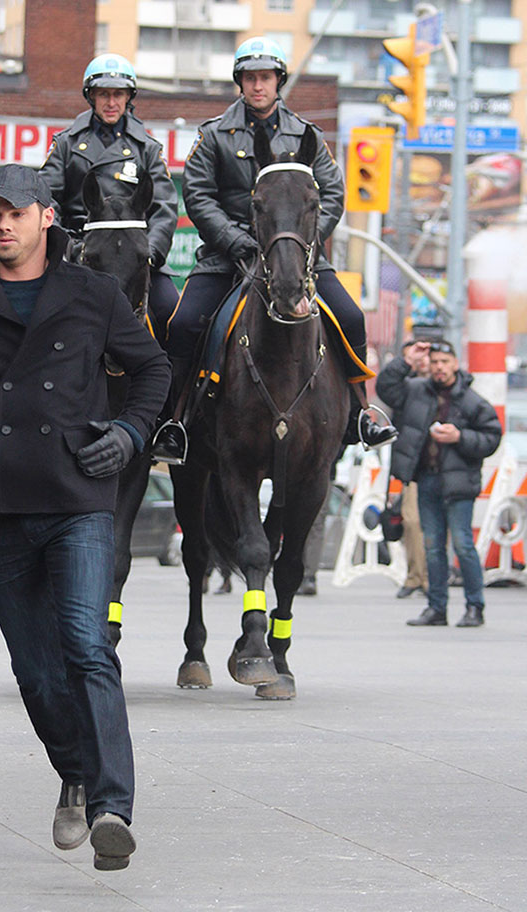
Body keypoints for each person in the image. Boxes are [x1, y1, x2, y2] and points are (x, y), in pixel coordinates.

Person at [0, 164, 171, 870]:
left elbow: (153, 370)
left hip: (78, 491)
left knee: (87, 645)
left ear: (47, 218)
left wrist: (132, 433)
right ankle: (76, 773)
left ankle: (112, 808)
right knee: (36, 670)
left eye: (16, 212)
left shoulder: (95, 293)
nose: (3, 225)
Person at [151, 36, 397, 463]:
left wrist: (302, 246)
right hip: (229, 257)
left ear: (278, 81)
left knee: (352, 317)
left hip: (297, 259)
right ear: (240, 83)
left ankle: (360, 414)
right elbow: (199, 195)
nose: (258, 85)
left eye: (265, 77)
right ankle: (173, 422)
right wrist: (236, 241)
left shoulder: (307, 135)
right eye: (250, 78)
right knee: (185, 323)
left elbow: (332, 195)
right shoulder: (213, 135)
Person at [40, 53, 179, 329]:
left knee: (172, 314)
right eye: (104, 94)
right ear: (91, 96)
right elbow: (46, 200)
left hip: (134, 255)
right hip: (79, 251)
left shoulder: (148, 149)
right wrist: (66, 246)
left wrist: (149, 251)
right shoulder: (66, 144)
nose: (111, 102)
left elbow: (164, 209)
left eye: (118, 94)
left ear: (129, 97)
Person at [376, 340, 502, 627]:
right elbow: (386, 388)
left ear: (455, 364)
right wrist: (406, 361)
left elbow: (492, 437)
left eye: (444, 362)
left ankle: (474, 607)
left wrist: (460, 437)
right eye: (434, 362)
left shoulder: (472, 401)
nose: (439, 368)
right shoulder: (416, 390)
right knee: (432, 546)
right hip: (427, 479)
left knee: (462, 545)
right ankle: (436, 608)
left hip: (459, 483)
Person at [392, 341, 429, 599]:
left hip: (446, 468)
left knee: (440, 528)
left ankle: (431, 578)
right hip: (415, 468)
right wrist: (405, 363)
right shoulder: (408, 389)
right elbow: (385, 386)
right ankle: (416, 576)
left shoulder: (455, 389)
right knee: (412, 523)